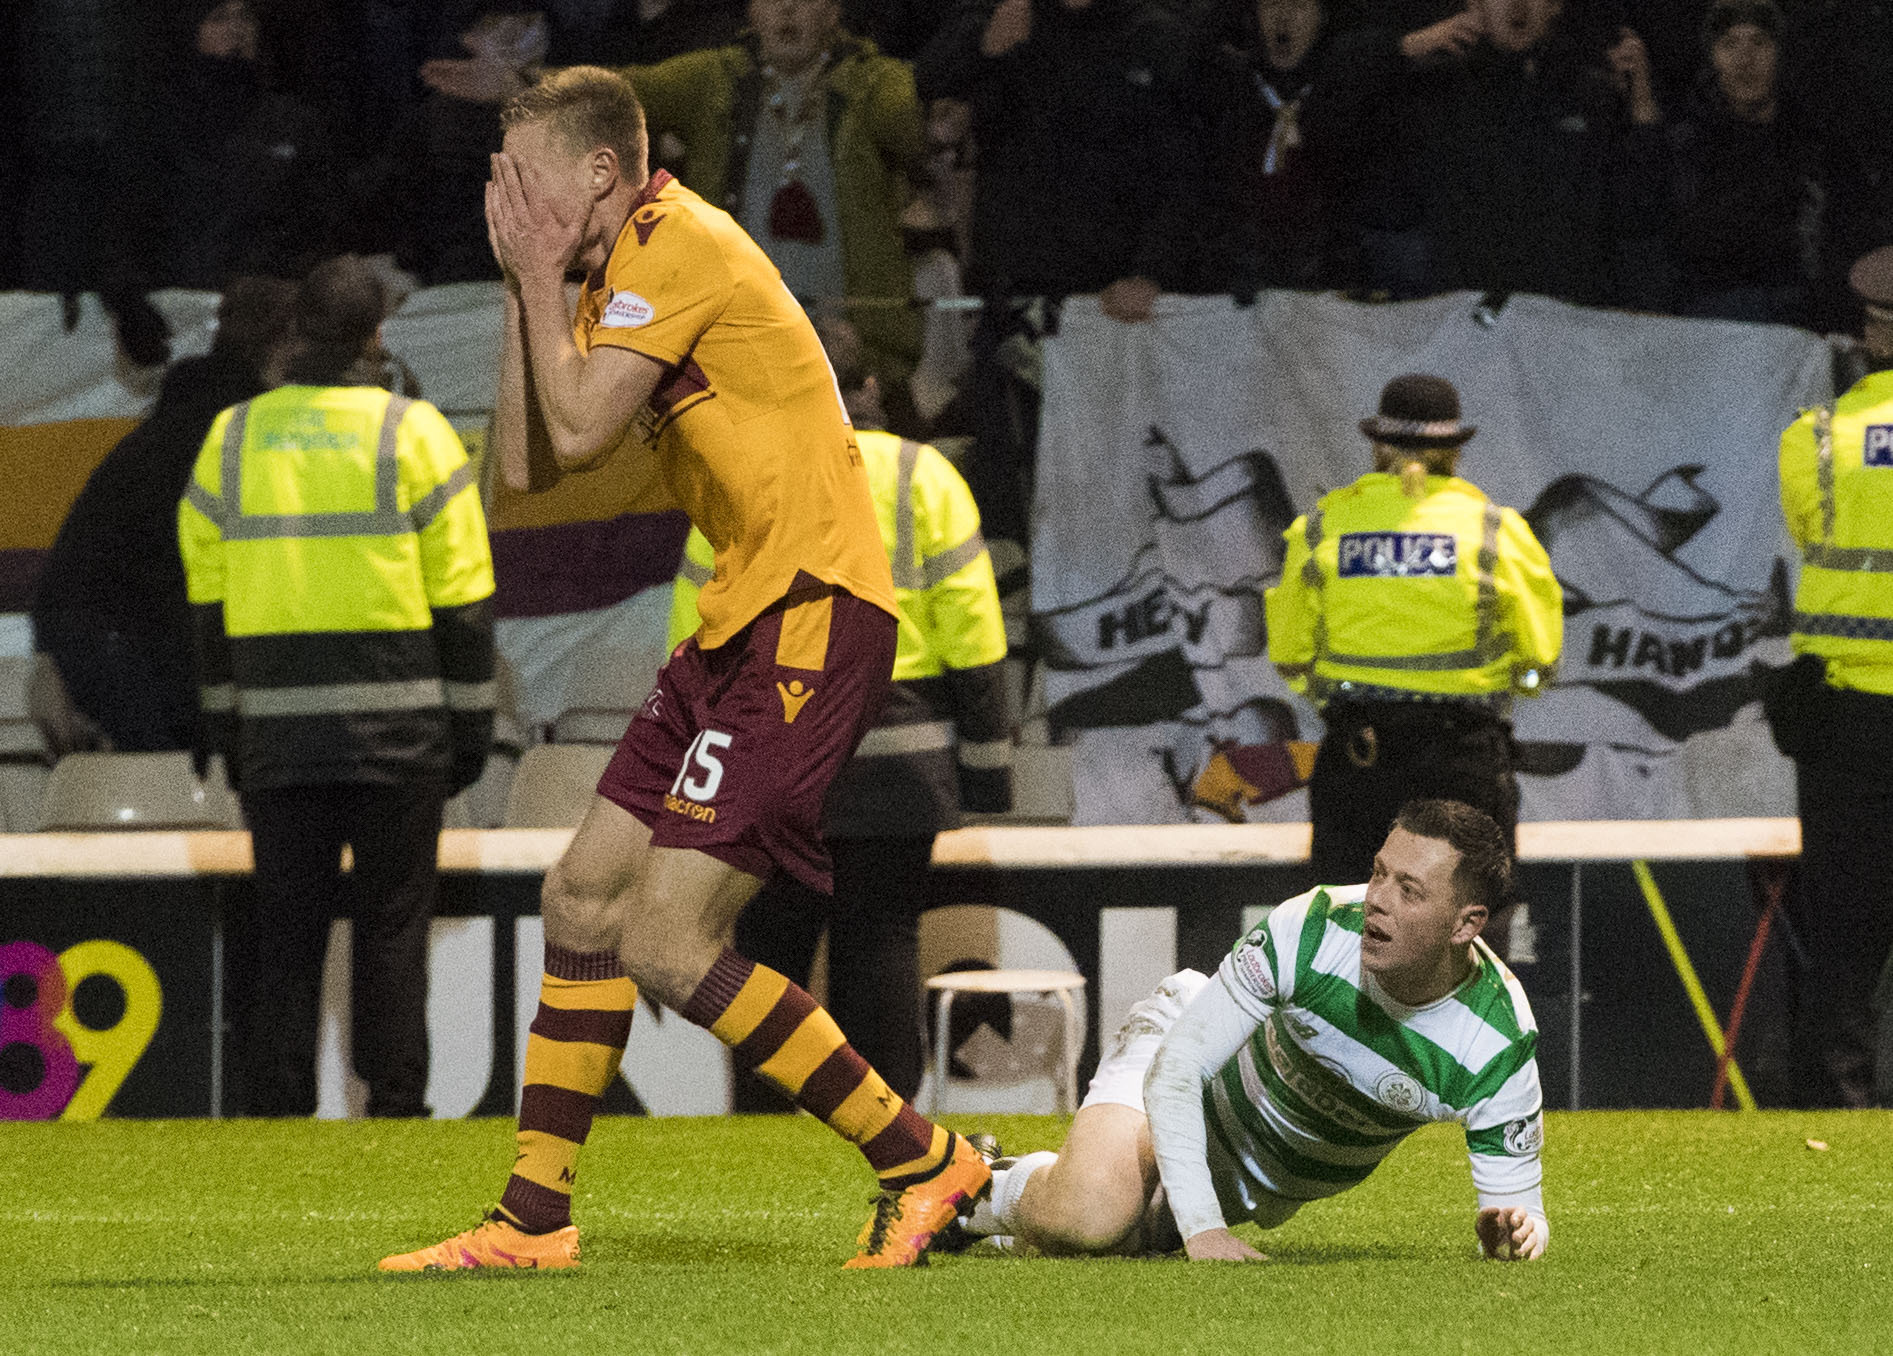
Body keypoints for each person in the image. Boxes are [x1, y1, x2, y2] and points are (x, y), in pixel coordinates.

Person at [378, 66, 987, 1274]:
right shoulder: (604, 274)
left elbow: (587, 426)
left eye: (527, 179)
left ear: (601, 172)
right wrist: (525, 287)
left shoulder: (680, 240)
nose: (508, 198)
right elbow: (523, 474)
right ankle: (533, 1221)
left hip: (809, 611)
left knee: (664, 938)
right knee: (583, 900)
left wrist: (540, 283)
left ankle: (926, 1161)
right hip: (738, 620)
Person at [177, 255, 497, 1118]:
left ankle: (278, 1114)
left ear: (293, 331)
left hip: (279, 740)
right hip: (399, 735)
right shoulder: (416, 433)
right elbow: (464, 600)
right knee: (393, 933)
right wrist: (469, 731)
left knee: (286, 936)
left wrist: (227, 726)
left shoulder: (233, 436)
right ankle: (395, 1108)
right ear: (377, 335)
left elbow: (205, 603)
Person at [955, 798, 1548, 1263]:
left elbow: (1520, 1213)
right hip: (1184, 1058)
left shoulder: (1497, 1041)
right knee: (1092, 1217)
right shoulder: (1312, 929)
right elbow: (1179, 1072)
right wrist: (1204, 1230)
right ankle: (960, 1192)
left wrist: (1516, 1232)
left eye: (1409, 891)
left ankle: (994, 1183)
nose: (1376, 901)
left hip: (1258, 1174)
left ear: (1465, 924)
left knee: (1105, 1239)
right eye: (1379, 873)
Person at [670, 315, 1013, 1108]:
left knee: (765, 949)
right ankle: (891, 1142)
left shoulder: (733, 479)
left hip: (773, 757)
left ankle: (758, 1129)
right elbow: (975, 641)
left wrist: (693, 770)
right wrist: (988, 776)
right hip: (899, 759)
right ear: (867, 390)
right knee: (881, 943)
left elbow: (696, 640)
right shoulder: (922, 477)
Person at [1265, 374, 1563, 889]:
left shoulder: (1323, 527)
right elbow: (1539, 656)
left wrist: (1330, 693)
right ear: (1454, 448)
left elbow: (1290, 653)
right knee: (1468, 922)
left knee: (1347, 919)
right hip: (1463, 756)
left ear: (1379, 444)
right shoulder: (1497, 529)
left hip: (1360, 754)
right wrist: (1512, 688)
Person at [32, 277, 299, 756]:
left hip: (98, 638)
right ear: (284, 348)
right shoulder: (228, 435)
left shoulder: (191, 421)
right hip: (121, 647)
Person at [1767, 244, 1893, 1109]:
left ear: (1867, 330)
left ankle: (1840, 1117)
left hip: (1849, 721)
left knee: (1846, 930)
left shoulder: (1813, 441)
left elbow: (1813, 534)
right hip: (1850, 717)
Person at [1664, 0, 1816, 324]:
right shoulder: (1689, 144)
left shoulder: (1811, 139)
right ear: (1712, 58)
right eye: (1729, 44)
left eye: (1759, 42)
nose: (1744, 59)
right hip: (1717, 321)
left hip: (1802, 319)